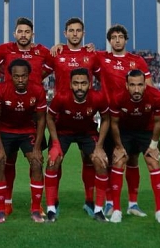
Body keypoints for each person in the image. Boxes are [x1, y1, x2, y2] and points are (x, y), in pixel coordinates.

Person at [0, 17, 53, 214]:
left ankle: (36, 205)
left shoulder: (41, 51)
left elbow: (55, 63)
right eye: (20, 31)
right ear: (14, 34)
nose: (23, 35)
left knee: (36, 160)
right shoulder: (5, 49)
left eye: (27, 32)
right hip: (8, 112)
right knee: (7, 161)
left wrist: (59, 47)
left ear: (32, 34)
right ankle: (7, 203)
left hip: (31, 113)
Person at [94, 24, 152, 217]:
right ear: (109, 41)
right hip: (111, 118)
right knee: (111, 160)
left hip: (133, 119)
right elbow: (78, 55)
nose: (117, 40)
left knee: (133, 159)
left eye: (120, 36)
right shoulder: (101, 58)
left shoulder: (137, 61)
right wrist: (60, 46)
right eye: (113, 37)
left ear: (126, 40)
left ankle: (133, 204)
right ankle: (110, 203)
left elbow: (149, 87)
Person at [44, 68, 110, 223]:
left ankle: (98, 210)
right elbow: (49, 118)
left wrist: (99, 147)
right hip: (63, 132)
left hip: (87, 132)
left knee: (100, 162)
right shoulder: (61, 97)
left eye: (83, 83)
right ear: (70, 84)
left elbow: (106, 119)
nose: (79, 87)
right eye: (76, 83)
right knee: (53, 162)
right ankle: (51, 209)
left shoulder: (98, 97)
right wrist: (55, 144)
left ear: (90, 84)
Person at [109, 69, 160, 224]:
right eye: (132, 85)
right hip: (125, 131)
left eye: (140, 85)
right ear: (126, 85)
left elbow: (158, 122)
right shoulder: (117, 97)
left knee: (153, 162)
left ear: (145, 85)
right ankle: (116, 210)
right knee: (119, 161)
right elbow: (114, 124)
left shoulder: (156, 96)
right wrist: (119, 146)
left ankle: (159, 211)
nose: (136, 89)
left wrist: (153, 145)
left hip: (147, 131)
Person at [0, 59, 47, 223]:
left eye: (24, 76)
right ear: (11, 76)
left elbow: (41, 119)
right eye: (17, 76)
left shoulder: (38, 90)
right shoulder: (1, 89)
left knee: (37, 163)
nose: (20, 80)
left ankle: (35, 209)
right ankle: (1, 210)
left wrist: (37, 148)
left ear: (29, 75)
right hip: (5, 131)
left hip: (27, 131)